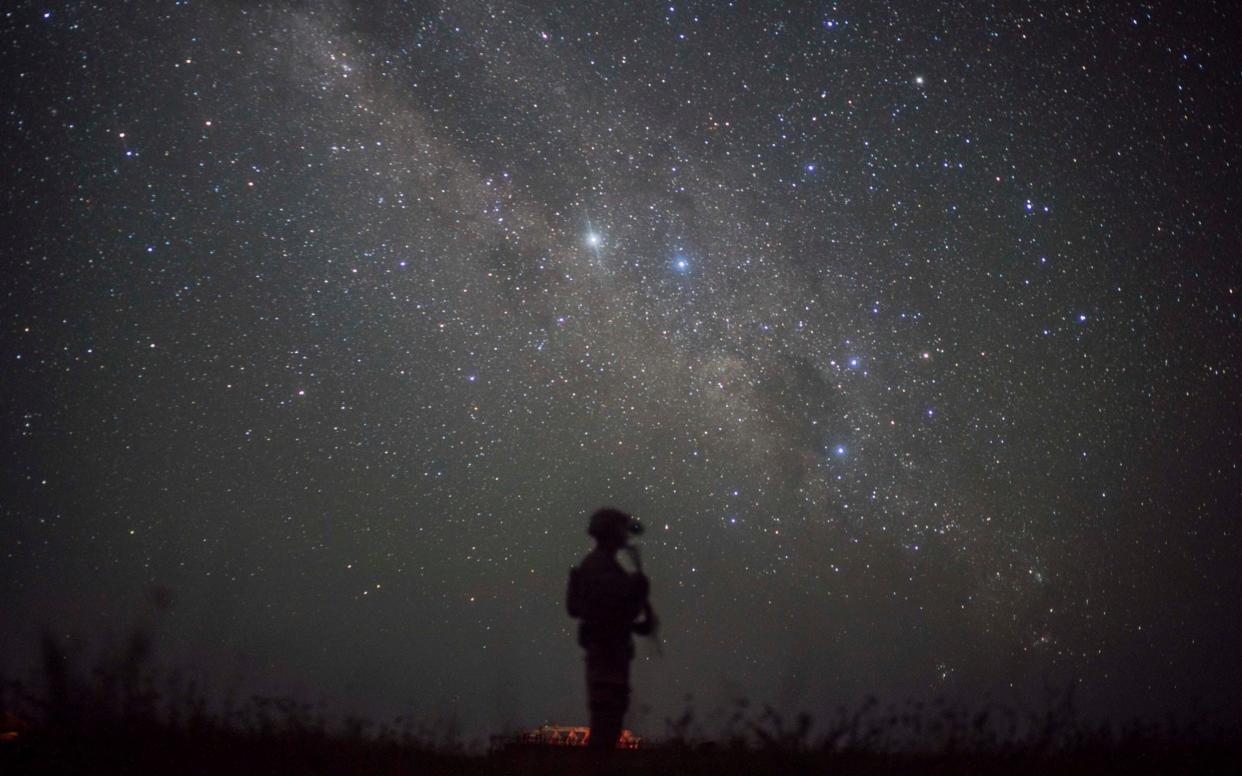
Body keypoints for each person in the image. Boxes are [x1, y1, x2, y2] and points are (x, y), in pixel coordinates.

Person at [566, 507, 657, 750]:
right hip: (607, 654)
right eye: (621, 530)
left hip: (609, 653)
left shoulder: (601, 566)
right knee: (606, 726)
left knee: (609, 722)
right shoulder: (600, 568)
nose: (626, 536)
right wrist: (637, 591)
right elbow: (616, 612)